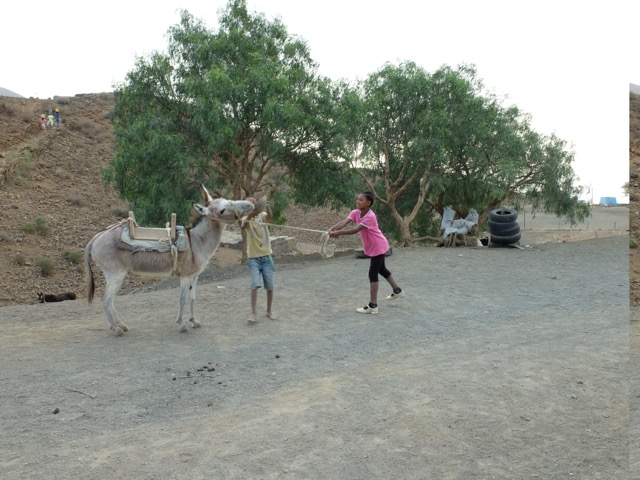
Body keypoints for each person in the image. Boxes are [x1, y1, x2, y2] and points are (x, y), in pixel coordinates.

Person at [328, 191, 405, 314]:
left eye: (360, 200)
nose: (357, 201)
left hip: (378, 246)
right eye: (357, 199)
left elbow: (355, 230)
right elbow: (344, 222)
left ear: (368, 203)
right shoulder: (355, 212)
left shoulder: (370, 216)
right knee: (382, 270)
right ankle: (397, 291)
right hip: (374, 246)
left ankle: (373, 305)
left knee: (372, 274)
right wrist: (332, 229)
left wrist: (339, 233)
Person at [242, 196, 277, 323]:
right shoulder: (245, 218)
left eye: (253, 204)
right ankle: (253, 313)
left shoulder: (262, 215)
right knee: (254, 285)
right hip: (253, 259)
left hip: (267, 256)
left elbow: (270, 216)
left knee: (270, 286)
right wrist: (252, 214)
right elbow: (244, 225)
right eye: (249, 204)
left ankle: (269, 311)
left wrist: (266, 204)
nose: (251, 206)